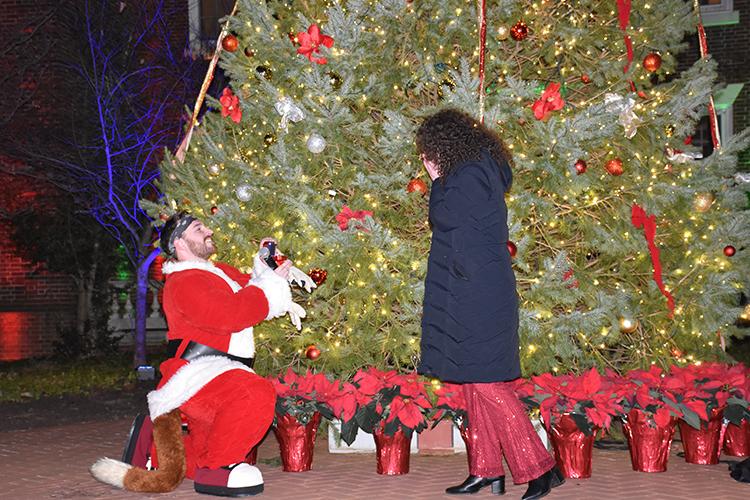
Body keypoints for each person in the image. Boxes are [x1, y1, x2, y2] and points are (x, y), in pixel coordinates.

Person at [91, 212, 306, 497]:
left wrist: (268, 266)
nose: (208, 231)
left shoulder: (220, 272)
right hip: (196, 373)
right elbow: (232, 313)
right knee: (254, 394)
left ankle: (153, 449)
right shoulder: (184, 281)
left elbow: (252, 287)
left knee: (203, 454)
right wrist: (269, 287)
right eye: (198, 228)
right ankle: (219, 471)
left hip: (223, 374)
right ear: (178, 242)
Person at [416, 109, 563, 499]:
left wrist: (435, 180)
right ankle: (485, 469)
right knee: (471, 380)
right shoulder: (478, 168)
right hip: (470, 288)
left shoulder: (467, 174)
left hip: (476, 292)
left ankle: (541, 467)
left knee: (484, 379)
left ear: (444, 145)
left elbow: (444, 217)